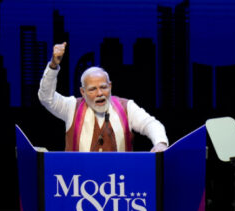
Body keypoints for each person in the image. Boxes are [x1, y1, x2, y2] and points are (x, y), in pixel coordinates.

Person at [38, 42, 169, 152]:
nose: (99, 93)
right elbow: (46, 98)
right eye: (93, 89)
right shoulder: (71, 107)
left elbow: (150, 124)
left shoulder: (126, 107)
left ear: (110, 86)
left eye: (103, 87)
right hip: (79, 179)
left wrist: (160, 143)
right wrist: (53, 66)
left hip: (119, 179)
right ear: (82, 92)